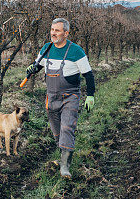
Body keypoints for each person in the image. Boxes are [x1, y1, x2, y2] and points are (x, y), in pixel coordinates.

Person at [26, 18, 95, 178]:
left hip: (70, 96)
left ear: (66, 33)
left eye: (57, 30)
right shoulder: (46, 48)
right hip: (51, 97)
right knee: (57, 132)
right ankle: (64, 152)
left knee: (67, 128)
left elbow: (89, 75)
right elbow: (39, 65)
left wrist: (90, 95)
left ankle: (65, 167)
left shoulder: (76, 51)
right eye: (52, 30)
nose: (53, 33)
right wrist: (33, 68)